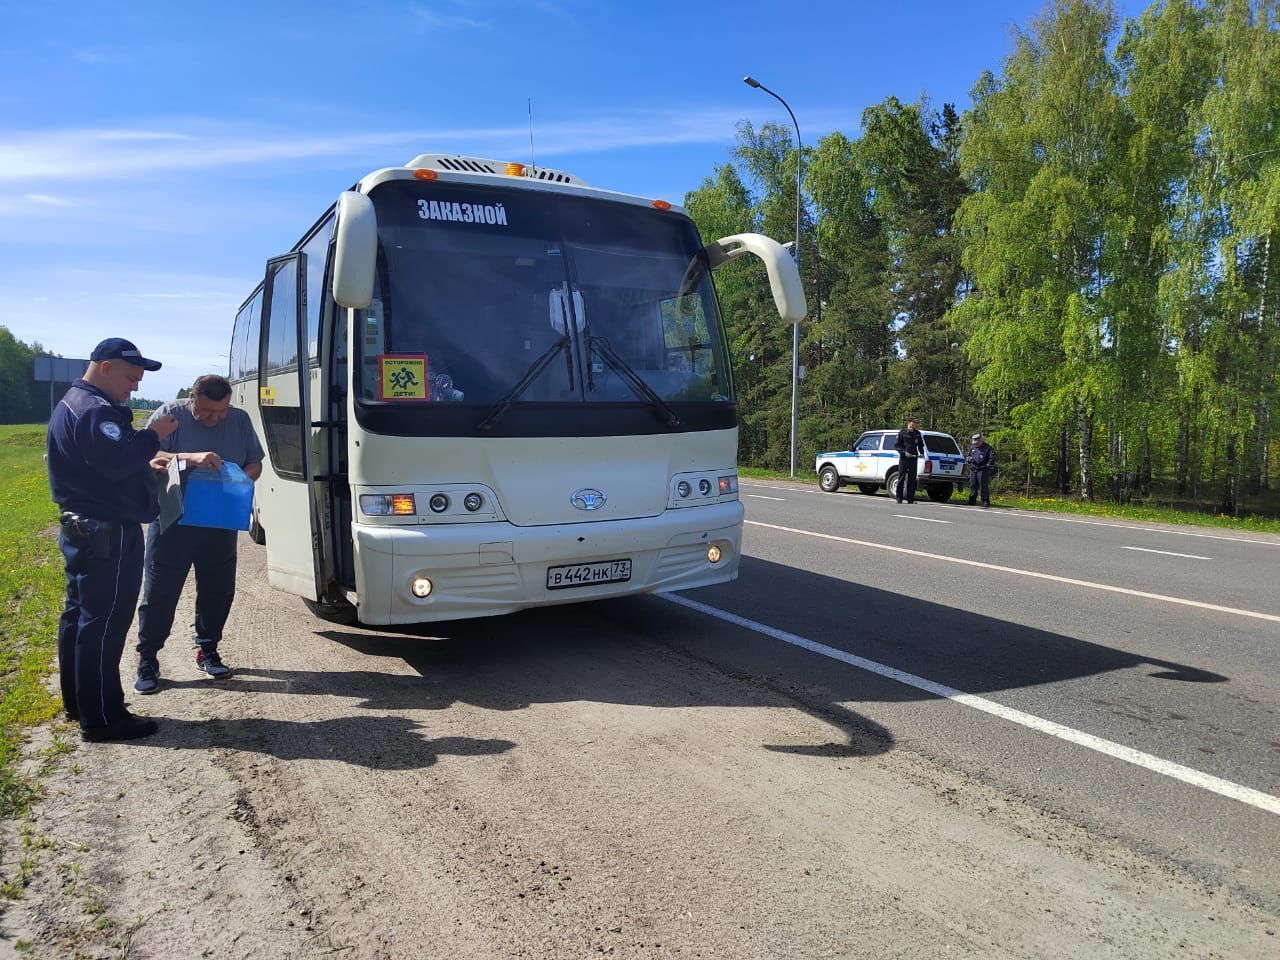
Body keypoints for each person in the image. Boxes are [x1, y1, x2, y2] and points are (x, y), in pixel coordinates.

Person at [47, 338, 178, 742]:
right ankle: (104, 718)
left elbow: (104, 463)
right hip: (107, 530)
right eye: (130, 377)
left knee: (80, 618)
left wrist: (141, 456)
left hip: (83, 527)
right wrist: (152, 435)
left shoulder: (74, 402)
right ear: (105, 367)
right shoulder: (94, 410)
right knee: (104, 624)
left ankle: (81, 702)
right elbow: (117, 460)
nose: (135, 387)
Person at [134, 374, 265, 693]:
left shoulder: (239, 420)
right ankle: (148, 659)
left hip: (218, 520)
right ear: (192, 400)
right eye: (206, 412)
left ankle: (207, 649)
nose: (214, 418)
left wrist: (241, 479)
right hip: (173, 519)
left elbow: (255, 462)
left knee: (218, 590)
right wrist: (190, 458)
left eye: (221, 412)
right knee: (161, 591)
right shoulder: (170, 415)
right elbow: (148, 457)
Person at [893, 416, 926, 504]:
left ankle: (910, 498)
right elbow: (897, 445)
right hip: (904, 459)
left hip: (913, 458)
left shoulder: (917, 433)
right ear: (909, 422)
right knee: (901, 477)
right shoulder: (902, 432)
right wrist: (904, 452)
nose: (915, 424)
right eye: (914, 422)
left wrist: (921, 452)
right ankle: (899, 498)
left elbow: (920, 445)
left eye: (916, 422)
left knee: (912, 479)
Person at [967, 433, 995, 508]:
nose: (975, 444)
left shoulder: (988, 448)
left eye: (977, 443)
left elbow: (991, 459)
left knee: (983, 486)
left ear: (980, 440)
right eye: (974, 443)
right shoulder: (972, 447)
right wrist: (969, 459)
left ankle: (985, 501)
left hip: (982, 469)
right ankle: (972, 500)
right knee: (973, 485)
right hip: (973, 469)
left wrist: (988, 465)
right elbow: (968, 455)